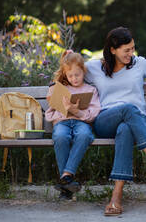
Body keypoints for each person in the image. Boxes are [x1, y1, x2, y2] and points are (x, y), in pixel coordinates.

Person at [85, 27, 146, 216]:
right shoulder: (94, 67)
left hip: (136, 122)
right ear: (112, 50)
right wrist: (67, 58)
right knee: (128, 108)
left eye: (133, 49)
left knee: (125, 129)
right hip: (106, 120)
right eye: (126, 50)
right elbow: (68, 73)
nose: (131, 54)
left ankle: (116, 198)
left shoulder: (140, 63)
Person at [45, 50, 100, 200]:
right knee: (60, 136)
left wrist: (76, 111)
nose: (74, 79)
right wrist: (56, 100)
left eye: (77, 75)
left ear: (84, 71)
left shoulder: (90, 90)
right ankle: (67, 183)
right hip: (62, 123)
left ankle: (66, 177)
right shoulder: (60, 88)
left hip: (81, 122)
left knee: (84, 135)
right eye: (70, 76)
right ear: (65, 74)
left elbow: (94, 112)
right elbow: (51, 111)